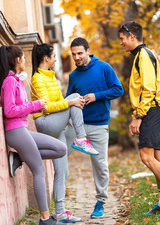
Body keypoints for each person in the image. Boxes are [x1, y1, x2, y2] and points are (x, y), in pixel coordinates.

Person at [31, 43, 99, 223]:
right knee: (72, 98)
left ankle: (60, 212)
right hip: (45, 123)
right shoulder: (37, 79)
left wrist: (70, 112)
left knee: (62, 170)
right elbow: (46, 108)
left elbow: (60, 103)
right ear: (46, 58)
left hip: (57, 124)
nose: (56, 58)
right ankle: (82, 138)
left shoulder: (52, 77)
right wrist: (71, 103)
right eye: (53, 56)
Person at [0, 45, 67, 225]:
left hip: (23, 129)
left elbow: (19, 108)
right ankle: (45, 218)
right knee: (39, 169)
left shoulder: (18, 80)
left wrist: (36, 105)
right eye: (23, 57)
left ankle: (20, 157)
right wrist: (35, 105)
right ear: (18, 60)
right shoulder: (9, 81)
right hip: (15, 131)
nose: (25, 60)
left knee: (60, 148)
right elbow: (9, 111)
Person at [65, 37, 123, 218]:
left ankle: (101, 201)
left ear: (88, 51)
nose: (77, 57)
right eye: (74, 54)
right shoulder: (73, 76)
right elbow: (68, 98)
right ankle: (58, 204)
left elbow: (117, 89)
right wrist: (74, 101)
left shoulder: (104, 67)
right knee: (58, 153)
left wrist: (96, 96)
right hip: (77, 126)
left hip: (99, 125)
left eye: (80, 53)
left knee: (100, 165)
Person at [119, 21, 160, 215]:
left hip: (151, 110)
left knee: (146, 157)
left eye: (122, 39)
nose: (121, 43)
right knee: (157, 158)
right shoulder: (143, 55)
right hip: (154, 110)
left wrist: (138, 116)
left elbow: (149, 89)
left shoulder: (143, 56)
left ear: (132, 37)